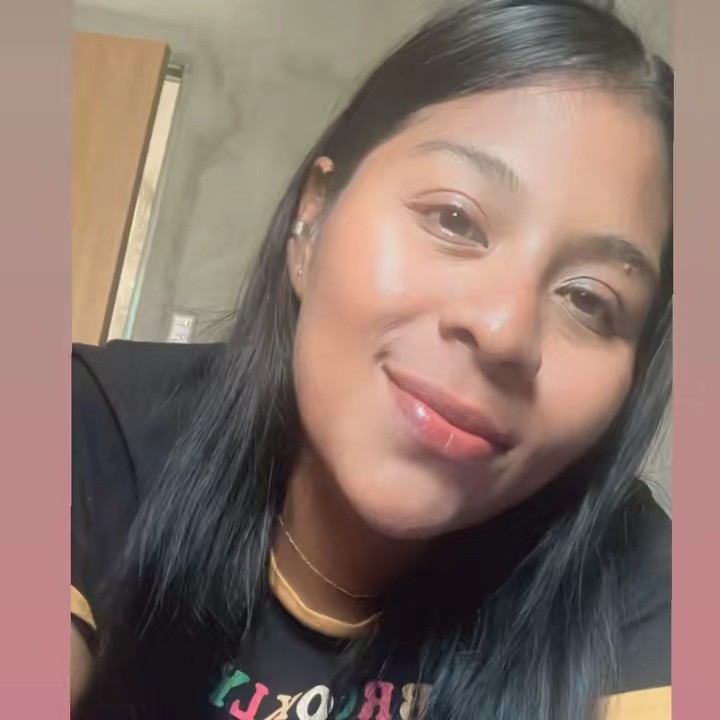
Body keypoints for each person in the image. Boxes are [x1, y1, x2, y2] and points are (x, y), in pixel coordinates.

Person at [70, 1, 673, 718]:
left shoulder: (640, 579)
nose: (504, 330)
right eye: (455, 219)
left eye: (590, 299)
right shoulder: (91, 426)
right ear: (311, 219)